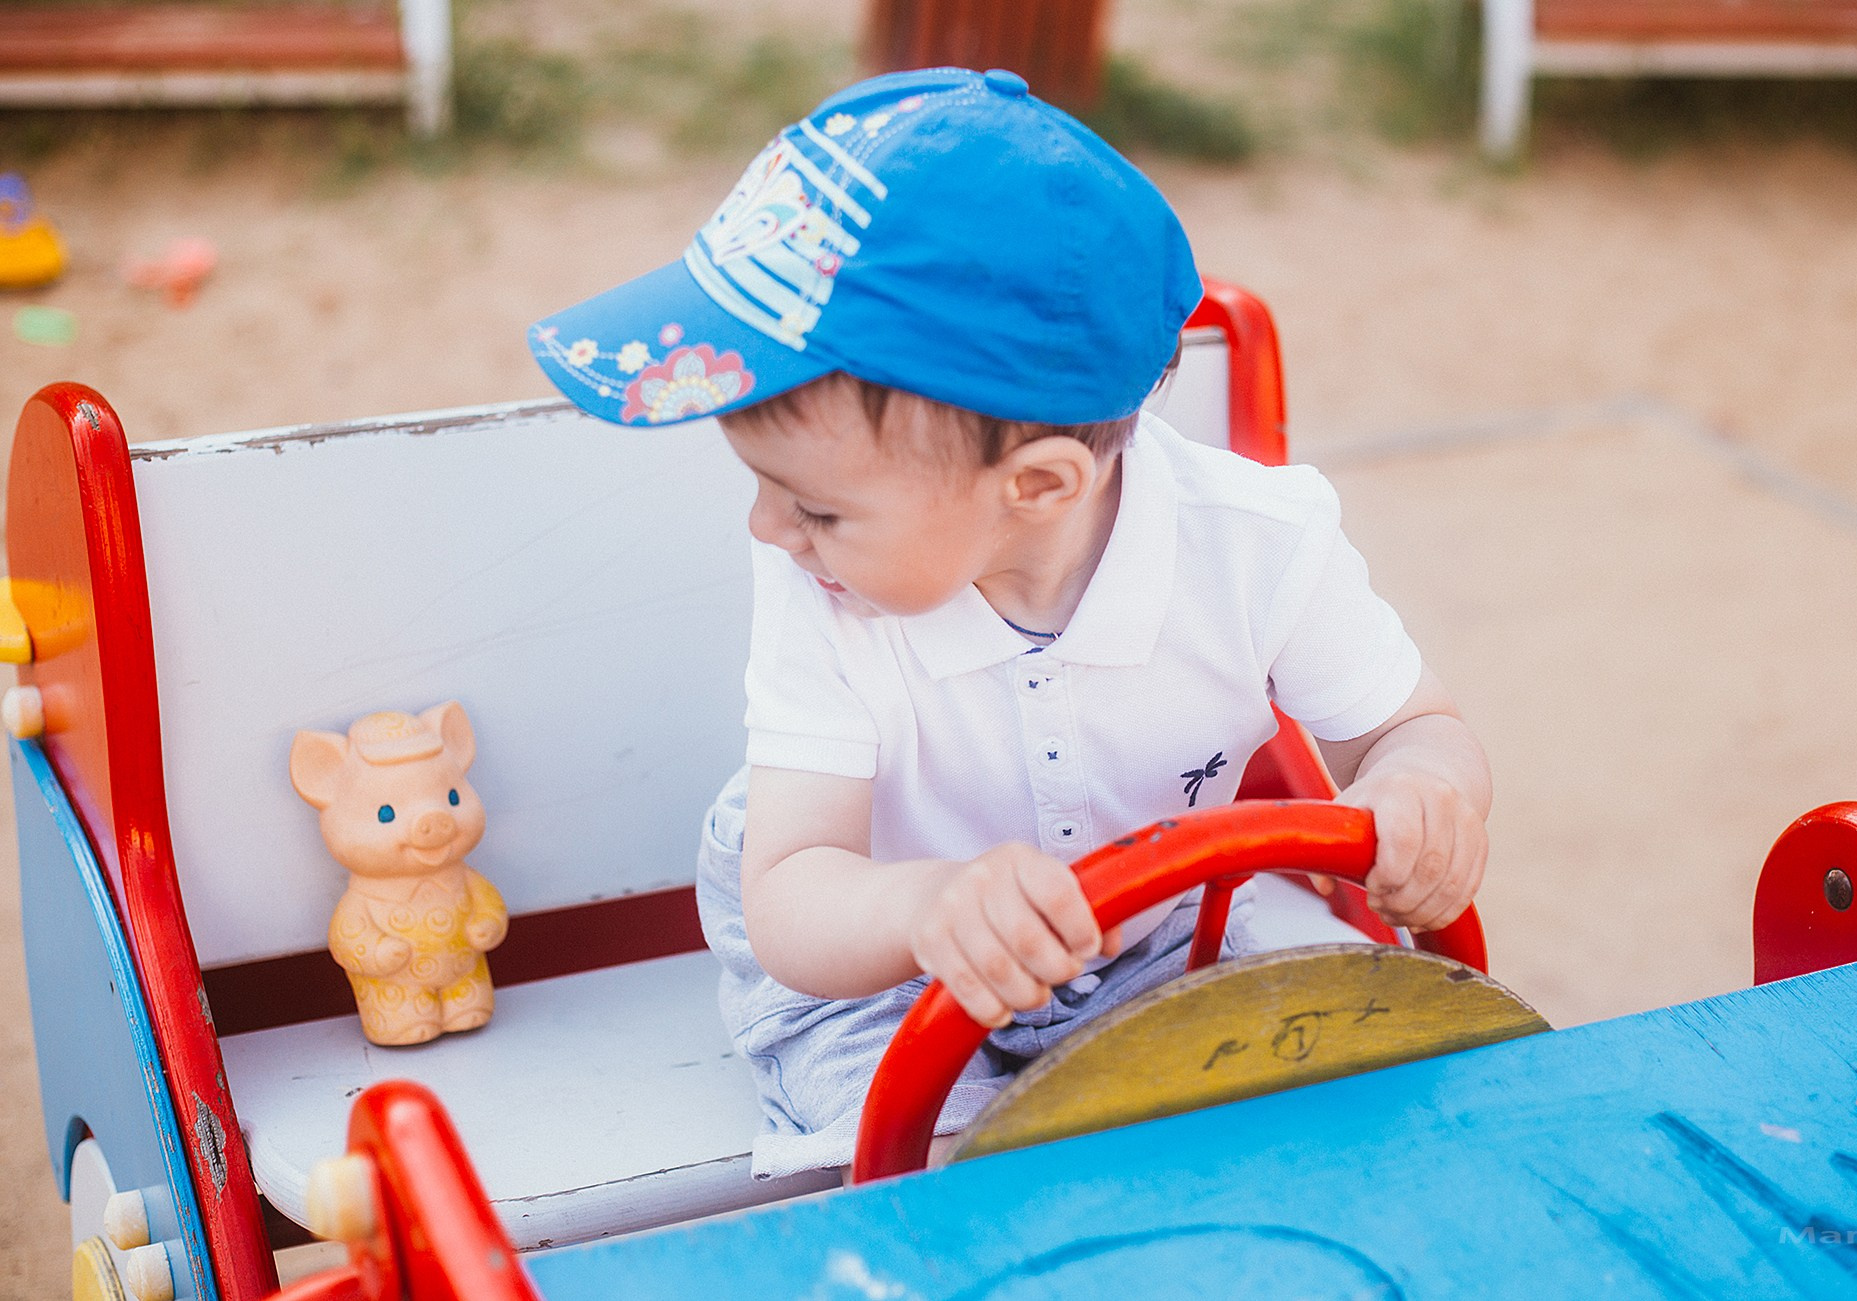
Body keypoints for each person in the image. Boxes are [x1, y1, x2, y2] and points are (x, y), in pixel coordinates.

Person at [526, 67, 1491, 1180]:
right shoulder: (819, 584)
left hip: (1160, 929)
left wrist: (1421, 794)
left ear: (1037, 486)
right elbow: (791, 889)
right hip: (875, 957)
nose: (768, 529)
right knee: (947, 1180)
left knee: (1343, 1084)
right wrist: (930, 906)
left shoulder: (1256, 544)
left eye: (818, 508)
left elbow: (1410, 728)